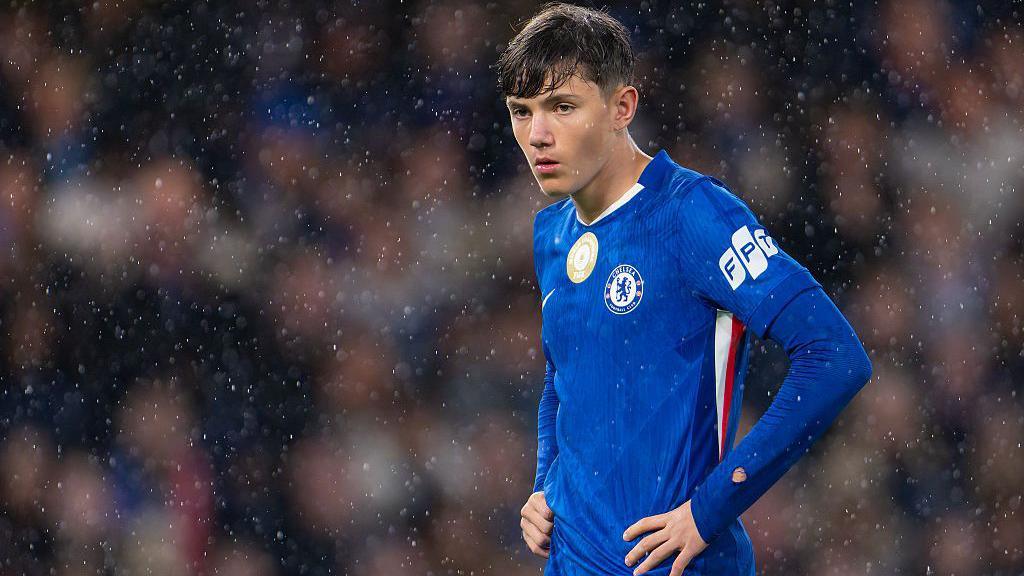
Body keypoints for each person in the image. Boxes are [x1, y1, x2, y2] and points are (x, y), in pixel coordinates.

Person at [494, 3, 873, 575]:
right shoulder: (552, 233)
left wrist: (710, 508)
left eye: (562, 107)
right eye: (521, 112)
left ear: (622, 107)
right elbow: (562, 374)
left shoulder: (694, 214)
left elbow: (834, 357)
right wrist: (545, 482)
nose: (537, 135)